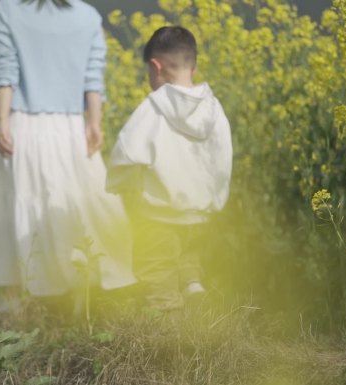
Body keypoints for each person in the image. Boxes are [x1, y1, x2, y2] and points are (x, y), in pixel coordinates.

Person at [0, 0, 136, 304]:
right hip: (69, 128)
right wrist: (94, 123)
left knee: (20, 207)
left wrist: (3, 121)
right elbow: (92, 78)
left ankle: (24, 300)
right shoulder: (88, 16)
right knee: (79, 205)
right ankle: (81, 295)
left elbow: (6, 71)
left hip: (22, 125)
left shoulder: (6, 10)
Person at [106, 26, 233, 311]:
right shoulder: (213, 108)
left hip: (158, 215)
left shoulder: (153, 108)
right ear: (194, 67)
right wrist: (215, 199)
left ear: (156, 67)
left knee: (158, 275)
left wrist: (122, 187)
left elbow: (126, 153)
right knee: (189, 262)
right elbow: (223, 159)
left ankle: (168, 340)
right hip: (199, 214)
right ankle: (196, 297)